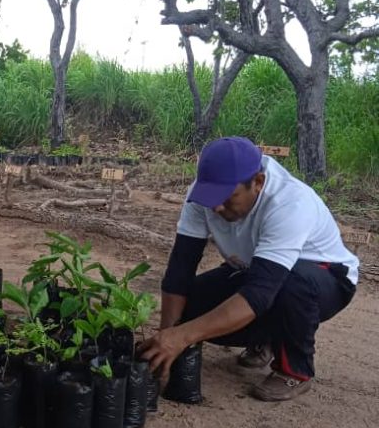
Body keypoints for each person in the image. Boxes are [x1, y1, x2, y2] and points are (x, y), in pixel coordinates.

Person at [139, 136, 359, 402]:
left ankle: (296, 370)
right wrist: (168, 334)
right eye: (211, 199)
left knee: (291, 285)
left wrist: (181, 337)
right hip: (255, 267)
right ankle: (265, 339)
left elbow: (259, 293)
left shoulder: (290, 203)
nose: (217, 207)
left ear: (258, 182)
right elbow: (180, 270)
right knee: (192, 304)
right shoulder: (203, 194)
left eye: (228, 198)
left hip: (324, 278)